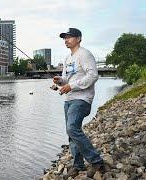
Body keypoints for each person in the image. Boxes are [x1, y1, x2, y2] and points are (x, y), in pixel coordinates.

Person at [53, 28, 105, 179]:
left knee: (72, 128)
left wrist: (71, 86)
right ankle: (78, 165)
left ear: (79, 39)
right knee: (71, 133)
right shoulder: (67, 58)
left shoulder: (85, 54)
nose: (66, 40)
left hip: (82, 99)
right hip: (69, 100)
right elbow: (66, 80)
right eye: (64, 38)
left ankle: (97, 161)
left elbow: (93, 76)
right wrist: (59, 81)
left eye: (69, 37)